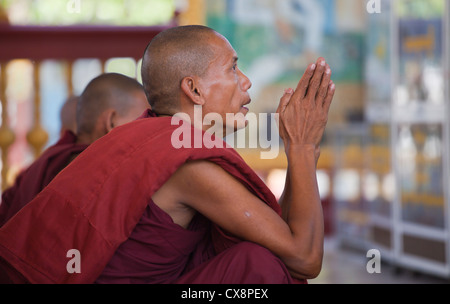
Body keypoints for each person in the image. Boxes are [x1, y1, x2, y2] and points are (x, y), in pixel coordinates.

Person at [0, 25, 334, 284]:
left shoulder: (160, 140)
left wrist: (299, 151)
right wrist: (303, 148)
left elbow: (282, 235)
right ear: (194, 89)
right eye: (233, 68)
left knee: (257, 257)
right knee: (257, 267)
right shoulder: (187, 165)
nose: (246, 82)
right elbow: (304, 257)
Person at [0, 73, 149, 228]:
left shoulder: (43, 164)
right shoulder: (97, 173)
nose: (150, 135)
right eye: (143, 123)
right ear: (111, 121)